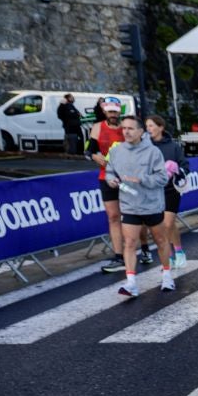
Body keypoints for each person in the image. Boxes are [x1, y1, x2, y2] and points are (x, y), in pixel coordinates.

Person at [104, 115, 173, 298]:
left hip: (151, 205)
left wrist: (142, 179)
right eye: (124, 128)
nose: (126, 131)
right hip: (129, 205)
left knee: (160, 241)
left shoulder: (153, 152)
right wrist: (111, 180)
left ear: (141, 132)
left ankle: (166, 274)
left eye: (131, 128)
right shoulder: (117, 151)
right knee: (130, 243)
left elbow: (162, 178)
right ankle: (131, 283)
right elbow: (109, 171)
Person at [87, 98, 127, 273]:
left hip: (127, 177)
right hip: (106, 176)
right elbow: (88, 150)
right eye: (110, 111)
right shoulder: (97, 127)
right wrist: (94, 156)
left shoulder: (126, 127)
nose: (113, 114)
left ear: (119, 111)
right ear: (105, 112)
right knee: (113, 217)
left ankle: (143, 248)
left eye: (115, 111)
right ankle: (119, 256)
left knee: (133, 215)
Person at [145, 114, 189, 271]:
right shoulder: (144, 147)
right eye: (147, 126)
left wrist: (177, 169)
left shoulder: (173, 146)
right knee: (165, 226)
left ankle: (175, 254)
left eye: (151, 125)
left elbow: (185, 165)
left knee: (167, 223)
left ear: (160, 127)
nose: (148, 129)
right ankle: (174, 253)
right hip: (153, 191)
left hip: (171, 190)